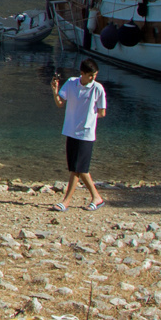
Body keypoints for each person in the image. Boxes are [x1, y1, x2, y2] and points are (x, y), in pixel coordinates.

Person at [51, 59, 109, 212]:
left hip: (86, 133)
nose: (93, 78)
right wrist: (54, 90)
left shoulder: (98, 88)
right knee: (77, 168)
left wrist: (89, 116)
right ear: (82, 73)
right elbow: (59, 103)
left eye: (94, 75)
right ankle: (97, 197)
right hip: (70, 130)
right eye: (90, 75)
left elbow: (102, 112)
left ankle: (66, 201)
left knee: (78, 169)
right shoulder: (71, 83)